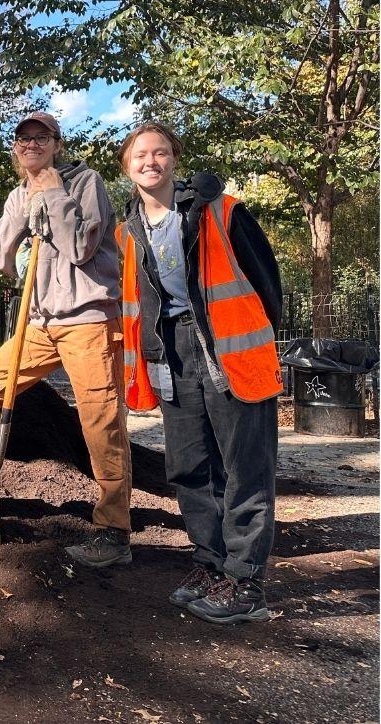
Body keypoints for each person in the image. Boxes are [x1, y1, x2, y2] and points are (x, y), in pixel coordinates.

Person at [0, 111, 133, 568]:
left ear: (58, 144)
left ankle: (114, 531)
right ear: (16, 150)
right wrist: (24, 207)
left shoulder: (86, 183)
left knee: (101, 421)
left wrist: (52, 193)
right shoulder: (19, 193)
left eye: (42, 138)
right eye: (23, 141)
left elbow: (81, 247)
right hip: (37, 324)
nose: (32, 145)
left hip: (88, 320)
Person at [118, 123, 282, 624]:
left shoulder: (220, 211)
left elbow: (266, 284)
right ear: (127, 168)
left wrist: (252, 340)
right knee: (189, 467)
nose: (151, 161)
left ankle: (244, 579)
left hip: (228, 352)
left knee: (243, 466)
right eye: (141, 155)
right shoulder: (129, 230)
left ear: (174, 160)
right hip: (173, 353)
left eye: (161, 152)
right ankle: (210, 565)